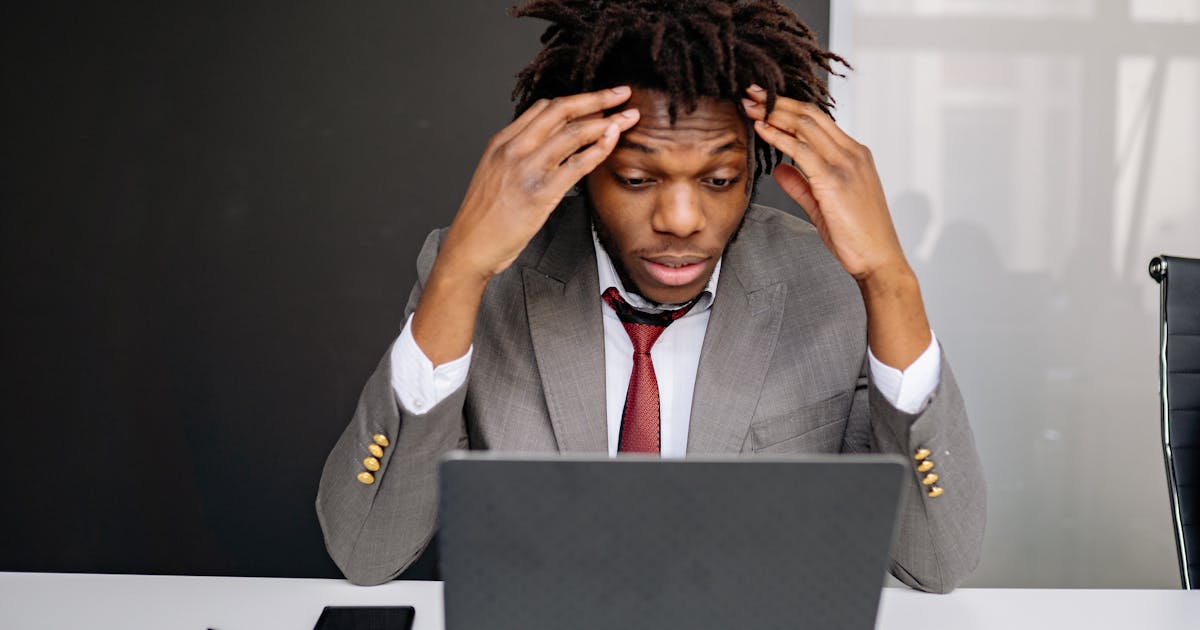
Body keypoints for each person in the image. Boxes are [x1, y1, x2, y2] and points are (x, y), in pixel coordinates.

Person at [317, 0, 985, 592]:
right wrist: (459, 275)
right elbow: (365, 550)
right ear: (584, 165)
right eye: (637, 178)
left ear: (754, 168)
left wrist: (890, 282)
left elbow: (938, 562)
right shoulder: (485, 276)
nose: (682, 219)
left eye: (720, 179)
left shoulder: (830, 281)